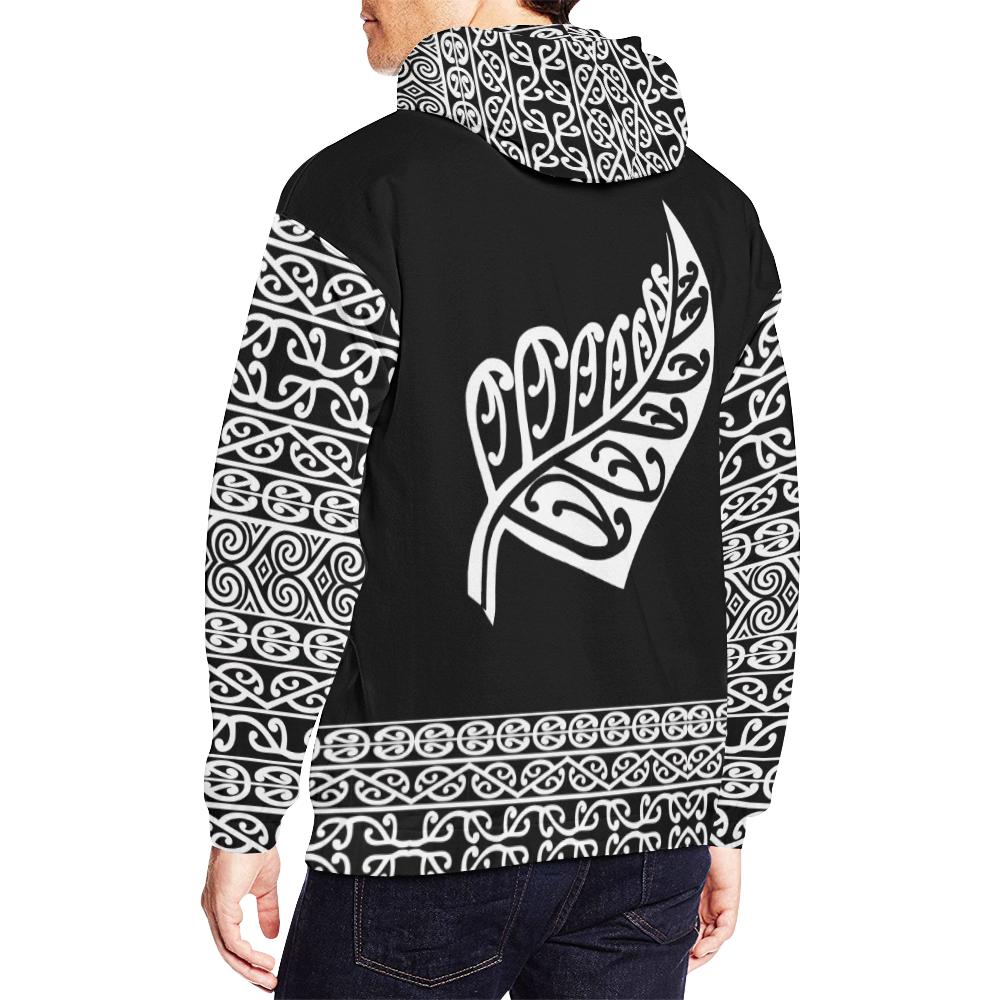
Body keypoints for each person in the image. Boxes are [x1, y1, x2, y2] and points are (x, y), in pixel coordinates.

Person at [200, 1, 800, 996]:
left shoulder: (362, 192)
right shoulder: (718, 211)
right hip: (650, 827)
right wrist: (724, 808)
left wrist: (246, 807)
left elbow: (282, 517)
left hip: (417, 831)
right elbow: (758, 536)